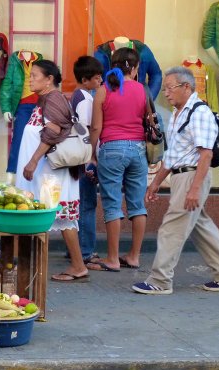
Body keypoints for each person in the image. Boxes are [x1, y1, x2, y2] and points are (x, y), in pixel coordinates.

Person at [132, 67, 219, 295]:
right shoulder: (179, 113)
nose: (166, 93)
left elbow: (205, 154)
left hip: (192, 175)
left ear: (186, 87)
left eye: (170, 88)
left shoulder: (199, 113)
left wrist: (194, 189)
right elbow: (172, 155)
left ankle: (160, 280)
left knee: (171, 227)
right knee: (200, 225)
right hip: (182, 176)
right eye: (166, 89)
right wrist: (156, 182)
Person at [15, 60, 89, 283]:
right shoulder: (45, 99)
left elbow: (52, 131)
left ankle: (78, 265)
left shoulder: (53, 98)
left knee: (59, 216)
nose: (31, 79)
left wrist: (33, 161)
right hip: (47, 173)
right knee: (50, 217)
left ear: (49, 79)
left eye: (35, 75)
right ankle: (38, 263)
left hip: (51, 172)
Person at [86, 47, 148, 273]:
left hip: (112, 148)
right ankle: (134, 256)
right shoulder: (142, 89)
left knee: (112, 203)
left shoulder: (103, 90)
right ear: (136, 67)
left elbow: (96, 127)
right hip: (138, 149)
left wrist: (92, 154)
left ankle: (112, 258)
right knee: (137, 205)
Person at [71, 56, 103, 264]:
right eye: (97, 78)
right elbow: (85, 130)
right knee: (87, 205)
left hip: (81, 158)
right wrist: (90, 157)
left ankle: (77, 248)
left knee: (81, 204)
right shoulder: (84, 100)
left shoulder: (82, 97)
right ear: (85, 80)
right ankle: (85, 251)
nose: (100, 81)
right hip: (84, 159)